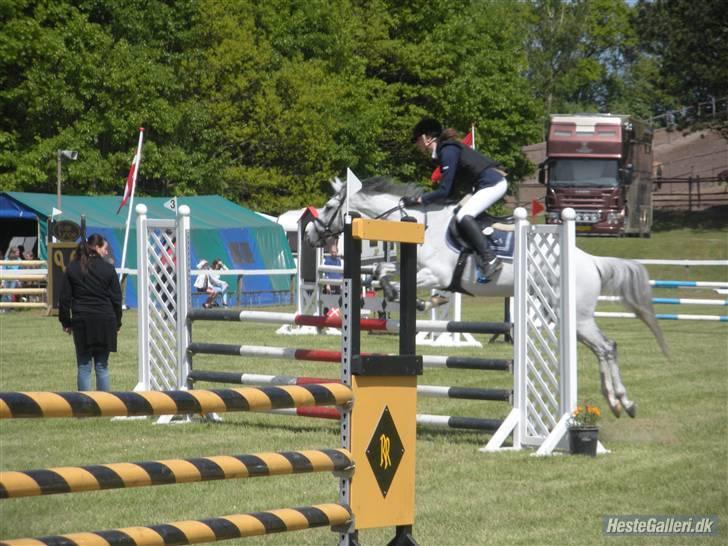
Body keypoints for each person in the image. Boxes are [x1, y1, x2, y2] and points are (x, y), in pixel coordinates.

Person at [407, 117, 507, 278]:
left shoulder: (447, 150)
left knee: (463, 215)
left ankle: (490, 258)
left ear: (426, 138)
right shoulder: (444, 151)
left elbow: (445, 190)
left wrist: (420, 200)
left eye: (417, 139)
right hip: (484, 185)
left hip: (492, 183)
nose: (416, 144)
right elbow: (450, 190)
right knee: (457, 211)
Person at [58, 234, 122, 391]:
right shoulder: (108, 269)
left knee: (84, 366)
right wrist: (117, 323)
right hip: (105, 320)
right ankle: (105, 405)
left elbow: (64, 299)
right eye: (105, 249)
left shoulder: (72, 268)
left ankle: (84, 406)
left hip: (82, 320)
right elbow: (116, 300)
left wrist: (66, 322)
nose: (107, 252)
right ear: (97, 248)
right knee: (102, 366)